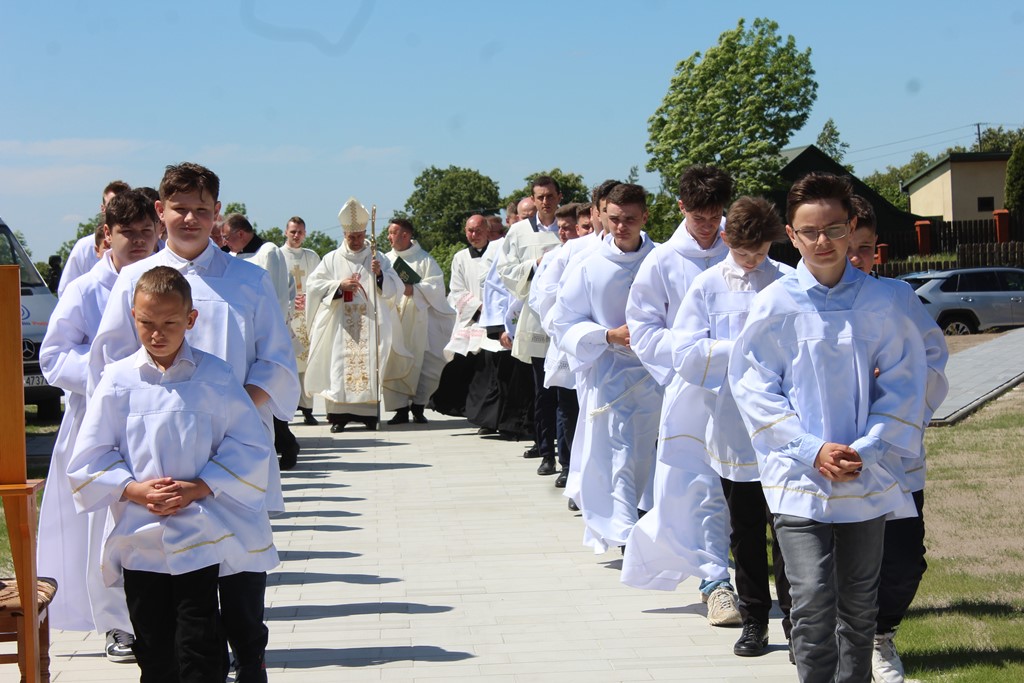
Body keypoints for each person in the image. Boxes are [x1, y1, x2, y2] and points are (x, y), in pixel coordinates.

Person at [89, 162, 298, 683]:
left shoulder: (248, 280)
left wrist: (227, 409)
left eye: (201, 209)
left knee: (240, 576)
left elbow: (276, 362)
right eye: (179, 208)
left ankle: (250, 659)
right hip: (158, 459)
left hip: (231, 451)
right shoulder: (135, 280)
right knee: (174, 598)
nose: (190, 219)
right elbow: (111, 364)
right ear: (160, 211)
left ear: (217, 214)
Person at [729, 172, 931, 682]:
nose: (823, 241)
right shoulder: (776, 303)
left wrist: (869, 448)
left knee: (859, 605)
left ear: (851, 226)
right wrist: (810, 448)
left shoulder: (883, 302)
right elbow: (753, 386)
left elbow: (906, 383)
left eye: (835, 229)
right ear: (791, 236)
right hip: (798, 474)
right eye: (810, 231)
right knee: (813, 600)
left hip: (864, 469)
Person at [70, 266, 277, 683]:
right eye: (147, 323)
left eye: (169, 323)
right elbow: (90, 455)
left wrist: (198, 487)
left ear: (190, 319)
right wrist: (134, 489)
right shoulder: (117, 381)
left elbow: (249, 444)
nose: (157, 334)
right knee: (153, 648)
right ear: (133, 316)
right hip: (141, 536)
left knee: (199, 645)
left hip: (200, 532)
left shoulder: (216, 376)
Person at [667, 197, 794, 658]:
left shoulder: (788, 280)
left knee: (788, 528)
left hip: (784, 424)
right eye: (743, 253)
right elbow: (684, 351)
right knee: (745, 530)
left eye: (761, 252)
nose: (753, 261)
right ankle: (756, 619)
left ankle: (798, 623)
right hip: (733, 423)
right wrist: (740, 348)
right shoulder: (707, 286)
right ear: (725, 239)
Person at [38, 189, 159, 662]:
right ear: (107, 235)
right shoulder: (86, 288)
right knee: (104, 527)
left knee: (154, 521)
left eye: (147, 231)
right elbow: (53, 356)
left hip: (157, 422)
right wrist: (108, 377)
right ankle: (116, 625)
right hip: (98, 420)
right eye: (128, 232)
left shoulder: (167, 281)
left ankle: (164, 617)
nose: (139, 241)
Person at [622, 165, 742, 627]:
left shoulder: (742, 249)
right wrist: (697, 354)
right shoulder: (662, 261)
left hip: (748, 391)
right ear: (681, 208)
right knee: (701, 487)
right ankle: (716, 584)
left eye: (715, 216)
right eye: (699, 217)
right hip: (693, 392)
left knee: (747, 491)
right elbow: (644, 329)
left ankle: (762, 576)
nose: (708, 226)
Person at [846, 196, 950, 683]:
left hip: (894, 454)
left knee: (905, 560)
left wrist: (898, 385)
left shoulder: (898, 297)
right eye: (849, 245)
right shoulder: (804, 300)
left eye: (865, 248)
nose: (856, 258)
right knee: (834, 560)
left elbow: (932, 359)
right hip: (835, 456)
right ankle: (834, 643)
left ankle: (881, 634)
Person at [551, 183, 661, 552]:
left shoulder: (662, 261)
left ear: (645, 217)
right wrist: (607, 335)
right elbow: (563, 320)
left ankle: (656, 523)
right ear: (602, 216)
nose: (620, 227)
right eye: (613, 219)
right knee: (620, 454)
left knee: (656, 454)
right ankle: (627, 533)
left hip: (660, 374)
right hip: (612, 374)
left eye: (630, 219)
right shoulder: (588, 265)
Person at [305, 198, 407, 432]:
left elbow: (396, 287)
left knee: (369, 366)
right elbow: (314, 285)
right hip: (341, 324)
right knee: (339, 368)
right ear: (344, 234)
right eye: (352, 237)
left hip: (370, 323)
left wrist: (380, 275)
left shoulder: (377, 257)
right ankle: (338, 417)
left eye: (360, 236)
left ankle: (368, 415)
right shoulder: (332, 258)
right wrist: (338, 286)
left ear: (365, 233)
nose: (356, 241)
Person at [221, 212, 301, 469]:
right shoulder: (232, 255)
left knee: (268, 394)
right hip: (243, 335)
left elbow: (276, 295)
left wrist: (270, 330)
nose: (225, 242)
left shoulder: (269, 252)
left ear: (241, 234)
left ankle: (287, 444)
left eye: (227, 237)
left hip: (264, 333)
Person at [498, 177, 563, 467]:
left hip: (567, 316)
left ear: (559, 197)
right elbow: (505, 270)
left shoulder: (568, 228)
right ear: (533, 199)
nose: (545, 202)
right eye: (540, 197)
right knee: (543, 389)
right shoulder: (519, 231)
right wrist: (535, 265)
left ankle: (568, 452)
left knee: (568, 392)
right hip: (537, 318)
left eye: (550, 196)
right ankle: (545, 450)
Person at [381, 218, 456, 424]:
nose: (388, 237)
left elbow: (436, 288)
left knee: (423, 364)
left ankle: (418, 406)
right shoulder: (385, 260)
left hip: (420, 322)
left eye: (392, 233)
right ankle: (400, 410)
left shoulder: (425, 260)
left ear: (405, 235)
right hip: (394, 320)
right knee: (395, 361)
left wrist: (413, 289)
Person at [431, 215, 503, 417]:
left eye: (478, 230)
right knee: (464, 366)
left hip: (495, 320)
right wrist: (479, 307)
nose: (474, 235)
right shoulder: (460, 258)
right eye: (470, 231)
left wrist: (493, 309)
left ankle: (488, 415)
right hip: (473, 319)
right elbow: (457, 290)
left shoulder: (499, 253)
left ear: (487, 231)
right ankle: (467, 410)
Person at [280, 216, 322, 426]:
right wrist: (290, 301)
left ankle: (307, 409)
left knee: (307, 364)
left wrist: (309, 296)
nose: (296, 236)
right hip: (286, 318)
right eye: (293, 231)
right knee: (288, 365)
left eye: (300, 232)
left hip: (307, 316)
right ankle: (285, 410)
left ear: (305, 234)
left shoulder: (312, 257)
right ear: (286, 232)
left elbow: (320, 282)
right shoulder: (277, 255)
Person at [59, 180, 131, 296]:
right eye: (112, 206)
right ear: (103, 209)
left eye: (124, 206)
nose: (119, 212)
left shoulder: (139, 244)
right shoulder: (84, 247)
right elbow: (66, 291)